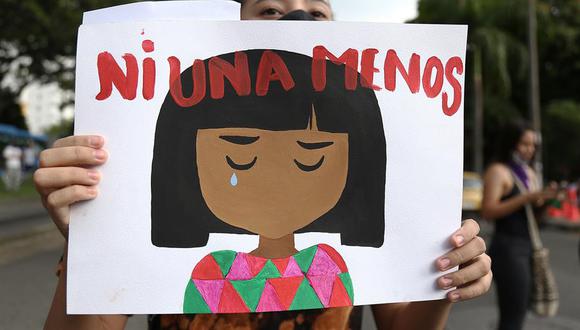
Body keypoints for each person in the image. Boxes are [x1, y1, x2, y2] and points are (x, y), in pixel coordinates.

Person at [37, 1, 492, 329]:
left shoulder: (331, 265)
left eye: (317, 14)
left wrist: (447, 283)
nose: (296, 20)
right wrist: (88, 242)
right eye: (270, 11)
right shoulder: (209, 273)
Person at [482, 120, 556, 330]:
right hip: (508, 248)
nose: (530, 149)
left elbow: (533, 217)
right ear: (511, 143)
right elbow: (488, 211)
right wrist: (525, 198)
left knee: (521, 309)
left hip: (527, 247)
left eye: (533, 145)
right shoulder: (499, 171)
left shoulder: (529, 173)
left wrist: (548, 199)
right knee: (513, 314)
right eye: (524, 144)